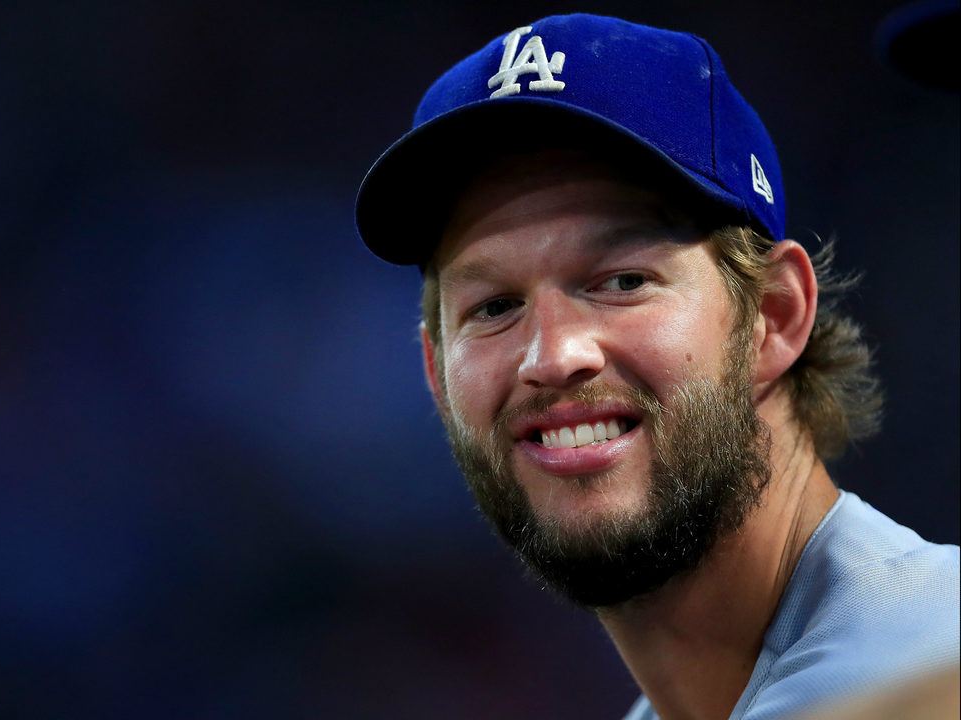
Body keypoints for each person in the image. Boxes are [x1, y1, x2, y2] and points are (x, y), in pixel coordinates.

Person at [354, 13, 959, 720]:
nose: (553, 356)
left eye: (622, 280)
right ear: (437, 375)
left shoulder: (934, 659)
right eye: (493, 307)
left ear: (775, 314)